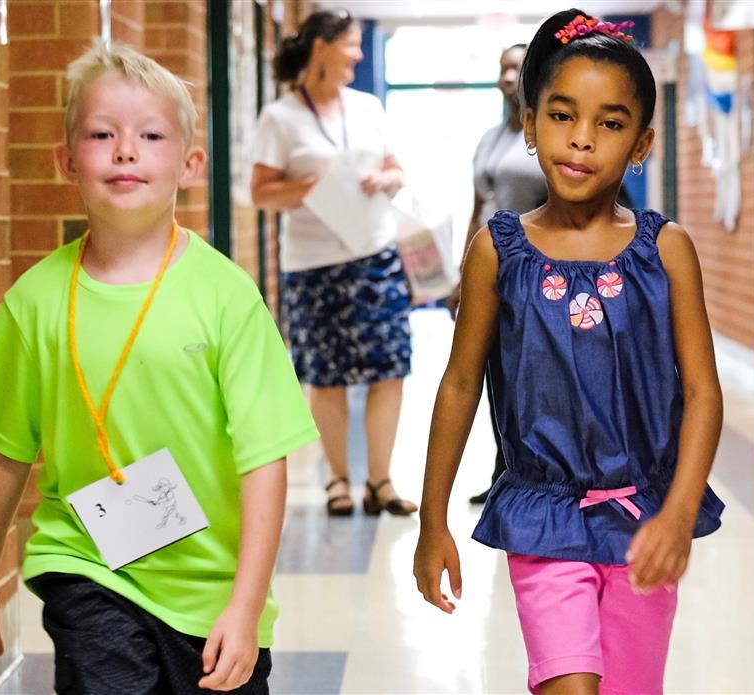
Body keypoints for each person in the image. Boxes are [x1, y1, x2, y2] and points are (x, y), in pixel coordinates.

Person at [0, 43, 318, 694]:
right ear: (66, 160)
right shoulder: (34, 303)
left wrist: (246, 602)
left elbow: (266, 459)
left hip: (210, 586)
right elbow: (5, 450)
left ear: (189, 164)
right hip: (87, 561)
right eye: (101, 134)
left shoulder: (226, 297)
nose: (125, 150)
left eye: (150, 135)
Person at [413, 10, 727, 695]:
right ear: (529, 125)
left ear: (640, 144)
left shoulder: (665, 251)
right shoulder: (498, 250)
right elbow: (461, 382)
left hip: (642, 519)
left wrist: (677, 512)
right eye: (561, 115)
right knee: (570, 685)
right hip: (543, 513)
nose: (581, 140)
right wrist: (431, 515)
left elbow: (703, 391)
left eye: (610, 123)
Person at [251, 9, 417, 517]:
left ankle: (381, 482)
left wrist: (386, 181)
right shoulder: (280, 117)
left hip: (376, 256)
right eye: (350, 44)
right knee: (328, 376)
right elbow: (260, 192)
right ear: (322, 46)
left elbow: (396, 169)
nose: (359, 55)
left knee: (389, 368)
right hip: (314, 265)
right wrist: (314, 186)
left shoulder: (366, 107)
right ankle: (339, 482)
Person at [452, 43, 548, 505]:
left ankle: (522, 471)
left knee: (530, 374)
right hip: (492, 270)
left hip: (535, 271)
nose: (509, 76)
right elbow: (478, 209)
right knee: (495, 372)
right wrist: (462, 273)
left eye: (518, 68)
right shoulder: (491, 139)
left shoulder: (548, 136)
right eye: (503, 69)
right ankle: (503, 470)